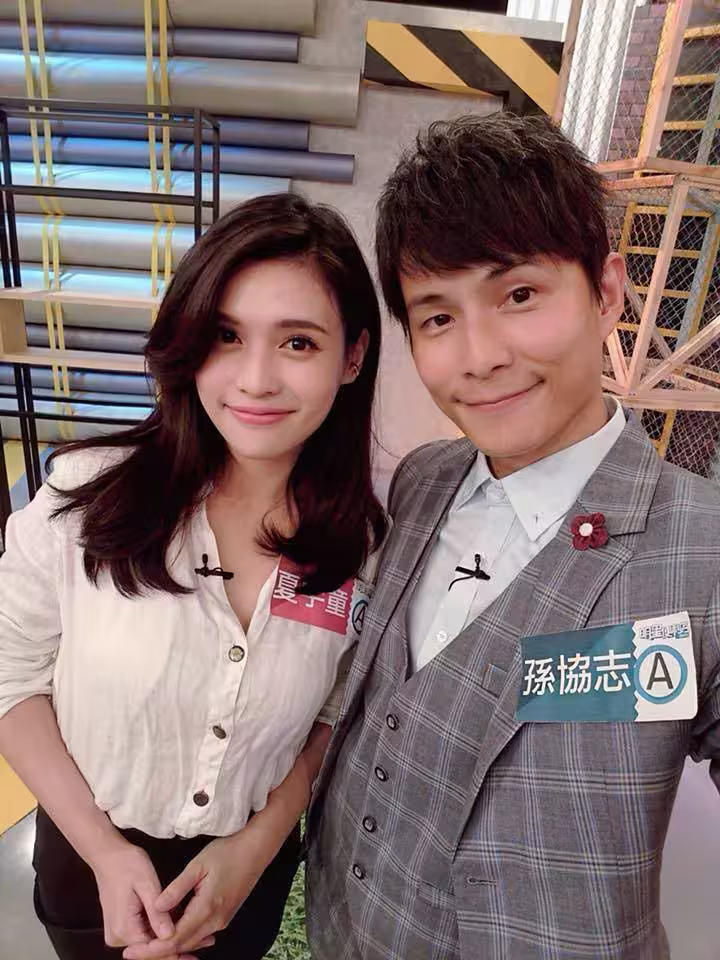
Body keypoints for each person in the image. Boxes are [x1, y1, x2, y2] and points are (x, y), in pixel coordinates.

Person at [305, 113, 720, 959]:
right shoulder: (424, 480)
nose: (480, 356)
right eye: (436, 318)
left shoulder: (702, 550)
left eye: (519, 295)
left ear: (606, 293)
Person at [0, 192, 387, 960]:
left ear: (352, 357)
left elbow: (333, 714)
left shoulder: (364, 545)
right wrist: (105, 853)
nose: (256, 379)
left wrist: (256, 848)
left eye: (299, 342)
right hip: (89, 863)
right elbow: (11, 680)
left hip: (248, 878)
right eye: (225, 335)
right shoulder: (86, 500)